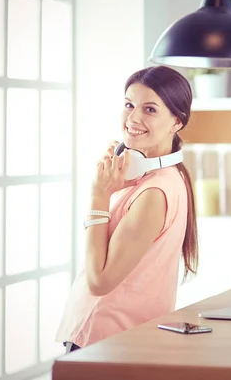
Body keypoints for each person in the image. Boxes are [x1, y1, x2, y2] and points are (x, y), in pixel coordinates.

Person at [55, 65, 199, 352]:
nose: (133, 118)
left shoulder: (154, 192)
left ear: (176, 122)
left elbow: (99, 282)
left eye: (150, 109)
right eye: (129, 104)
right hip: (117, 340)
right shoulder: (159, 178)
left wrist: (98, 196)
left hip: (105, 340)